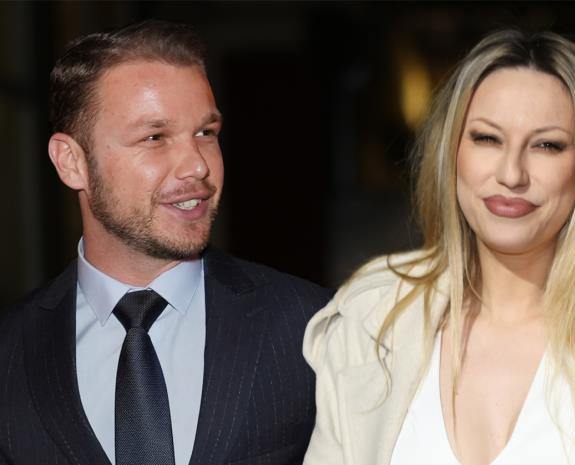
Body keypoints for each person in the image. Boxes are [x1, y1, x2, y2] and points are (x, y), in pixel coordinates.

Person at [303, 29, 575, 465]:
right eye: (487, 138)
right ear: (452, 151)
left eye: (547, 145)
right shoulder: (372, 313)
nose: (511, 174)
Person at [0, 20, 332, 465]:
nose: (197, 165)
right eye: (155, 138)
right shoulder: (10, 350)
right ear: (71, 162)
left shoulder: (315, 326)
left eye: (206, 133)